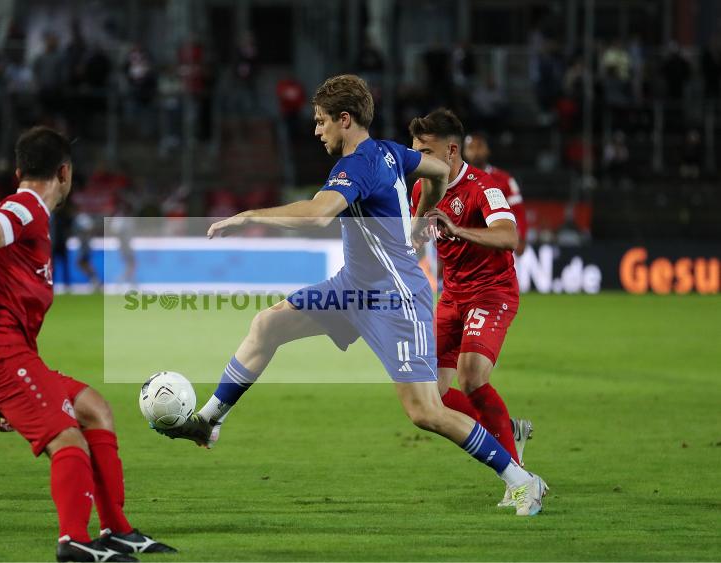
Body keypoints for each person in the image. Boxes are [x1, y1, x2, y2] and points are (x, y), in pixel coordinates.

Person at [162, 75, 547, 517]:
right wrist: (421, 218)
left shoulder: (358, 164)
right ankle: (210, 421)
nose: (316, 130)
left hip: (394, 298)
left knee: (426, 411)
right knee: (267, 325)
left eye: (321, 121)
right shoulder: (390, 151)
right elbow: (439, 173)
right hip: (351, 288)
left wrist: (249, 215)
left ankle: (522, 480)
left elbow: (317, 214)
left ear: (345, 120)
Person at [0, 126, 175, 562]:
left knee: (92, 408)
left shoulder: (31, 217)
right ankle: (73, 540)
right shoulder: (26, 205)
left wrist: (31, 395)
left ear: (18, 170)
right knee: (69, 438)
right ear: (65, 173)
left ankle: (117, 530)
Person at [409, 109, 532, 508]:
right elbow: (416, 242)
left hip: (492, 292)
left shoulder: (484, 186)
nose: (419, 161)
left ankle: (519, 479)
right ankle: (508, 433)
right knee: (436, 396)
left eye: (425, 152)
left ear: (451, 150)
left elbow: (509, 235)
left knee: (472, 376)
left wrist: (456, 228)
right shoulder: (422, 189)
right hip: (452, 297)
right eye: (415, 153)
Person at [463, 132, 528, 254]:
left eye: (479, 146)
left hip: (499, 245)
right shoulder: (459, 180)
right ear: (464, 152)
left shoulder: (505, 179)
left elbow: (518, 210)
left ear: (487, 150)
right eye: (471, 147)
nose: (476, 151)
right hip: (468, 245)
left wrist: (522, 238)